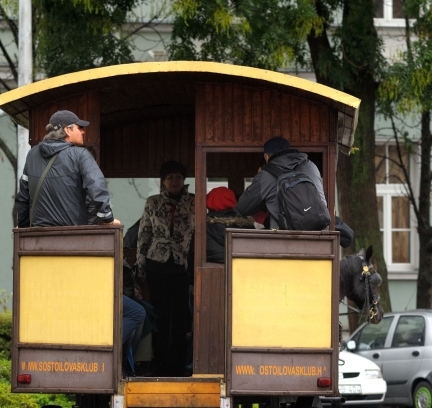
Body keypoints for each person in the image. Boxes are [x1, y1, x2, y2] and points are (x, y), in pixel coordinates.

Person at [14, 109, 145, 356]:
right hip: (74, 244)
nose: (83, 131)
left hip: (41, 249)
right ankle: (100, 351)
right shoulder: (79, 155)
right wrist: (106, 218)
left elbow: (23, 198)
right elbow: (97, 187)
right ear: (66, 130)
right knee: (96, 302)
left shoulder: (32, 155)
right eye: (79, 127)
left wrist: (24, 232)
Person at [235, 136, 355, 247]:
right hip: (319, 241)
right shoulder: (310, 166)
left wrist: (259, 179)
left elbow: (243, 208)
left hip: (284, 243)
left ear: (266, 157)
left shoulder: (265, 176)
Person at [136, 160, 195, 377]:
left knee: (181, 317)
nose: (174, 181)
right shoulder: (152, 202)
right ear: (163, 181)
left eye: (178, 177)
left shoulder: (193, 202)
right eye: (170, 177)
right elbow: (144, 234)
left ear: (184, 180)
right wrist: (140, 267)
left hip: (182, 267)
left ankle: (178, 365)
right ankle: (159, 362)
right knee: (160, 314)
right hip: (156, 264)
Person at [205, 187, 255, 263]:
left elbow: (193, 255)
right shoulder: (246, 224)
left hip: (209, 272)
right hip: (243, 270)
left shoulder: (203, 226)